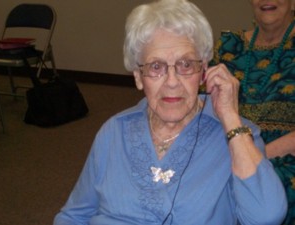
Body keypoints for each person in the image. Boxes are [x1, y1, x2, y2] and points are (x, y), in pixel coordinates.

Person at [53, 0, 287, 224]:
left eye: (186, 65)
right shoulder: (114, 131)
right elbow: (74, 215)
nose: (172, 82)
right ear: (138, 77)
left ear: (204, 71)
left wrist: (230, 118)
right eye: (156, 67)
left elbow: (266, 216)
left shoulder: (236, 135)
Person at [211, 0, 295, 224]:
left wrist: (253, 158)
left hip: (285, 161)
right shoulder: (229, 46)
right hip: (228, 154)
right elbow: (204, 110)